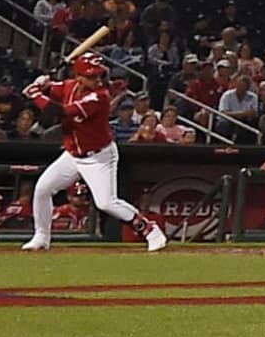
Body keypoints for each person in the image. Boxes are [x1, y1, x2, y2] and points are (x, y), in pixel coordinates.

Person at [24, 51, 171, 251]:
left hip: (99, 157)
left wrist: (35, 94)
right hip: (72, 154)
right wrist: (42, 84)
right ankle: (41, 236)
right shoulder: (69, 86)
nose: (97, 79)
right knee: (42, 189)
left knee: (106, 203)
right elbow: (54, 88)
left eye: (99, 75)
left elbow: (60, 112)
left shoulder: (99, 96)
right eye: (91, 76)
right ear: (79, 77)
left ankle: (149, 230)